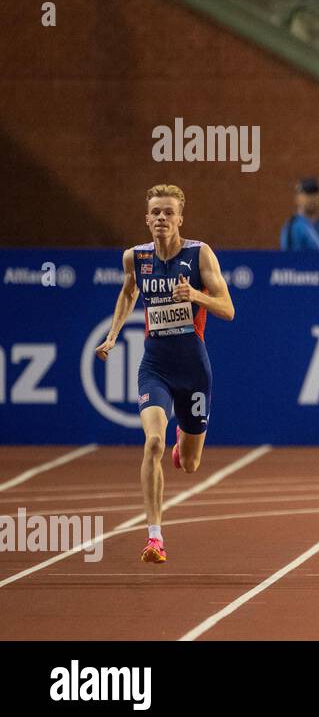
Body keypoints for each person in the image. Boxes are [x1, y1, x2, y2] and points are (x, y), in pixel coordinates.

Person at [95, 185, 235, 563]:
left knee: (190, 465)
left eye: (168, 213)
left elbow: (227, 308)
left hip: (193, 372)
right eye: (155, 212)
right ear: (146, 218)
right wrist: (111, 337)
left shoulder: (199, 254)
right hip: (154, 367)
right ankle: (154, 537)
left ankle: (182, 443)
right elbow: (128, 294)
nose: (161, 218)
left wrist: (196, 296)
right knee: (151, 443)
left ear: (179, 219)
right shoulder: (135, 258)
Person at [279, 178, 319, 251]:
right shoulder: (293, 227)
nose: (311, 198)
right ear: (297, 198)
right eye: (307, 194)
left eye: (315, 194)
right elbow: (289, 259)